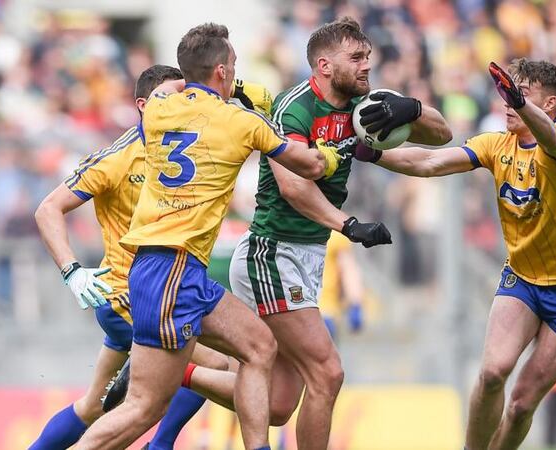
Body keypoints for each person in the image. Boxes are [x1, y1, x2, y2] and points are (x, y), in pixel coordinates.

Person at [74, 23, 341, 450]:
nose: (235, 74)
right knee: (143, 407)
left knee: (258, 346)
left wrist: (202, 78)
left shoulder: (160, 109)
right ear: (222, 71)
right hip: (172, 270)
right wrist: (331, 154)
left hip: (167, 268)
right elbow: (306, 166)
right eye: (232, 68)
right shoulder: (242, 122)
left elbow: (171, 87)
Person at [354, 58, 556, 450]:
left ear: (551, 105)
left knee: (522, 403)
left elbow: (555, 143)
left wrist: (525, 108)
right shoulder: (496, 145)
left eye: (521, 95)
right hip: (524, 276)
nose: (509, 103)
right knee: (492, 373)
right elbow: (429, 162)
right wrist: (373, 154)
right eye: (509, 94)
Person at [31, 65, 230, 450]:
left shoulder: (187, 150)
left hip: (166, 293)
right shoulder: (118, 158)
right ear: (143, 105)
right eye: (169, 98)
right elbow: (48, 209)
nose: (181, 106)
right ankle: (162, 444)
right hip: (127, 297)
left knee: (94, 408)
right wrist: (72, 271)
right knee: (214, 367)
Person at [319, 230, 366, 340]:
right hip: (325, 312)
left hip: (292, 312)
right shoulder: (331, 233)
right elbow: (349, 271)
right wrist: (356, 304)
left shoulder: (285, 228)